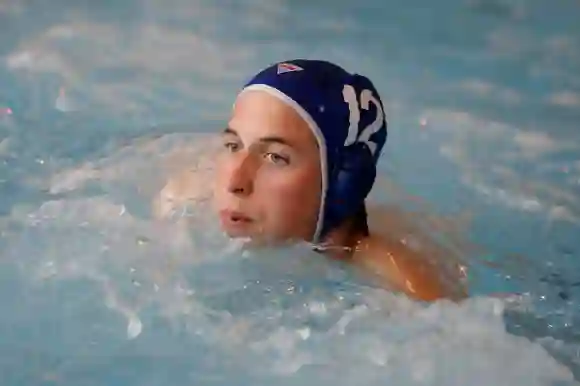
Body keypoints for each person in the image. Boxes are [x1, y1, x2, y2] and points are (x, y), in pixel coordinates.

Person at [158, 59, 467, 302]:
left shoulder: (409, 288)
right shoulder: (183, 201)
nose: (235, 182)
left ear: (342, 184)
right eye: (233, 146)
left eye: (275, 157)